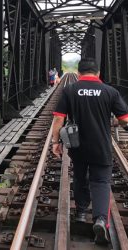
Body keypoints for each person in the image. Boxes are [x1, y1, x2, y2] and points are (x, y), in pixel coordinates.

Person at [51, 58, 128, 245]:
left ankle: (81, 212)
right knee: (101, 182)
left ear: (78, 73)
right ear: (98, 73)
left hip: (77, 146)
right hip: (101, 147)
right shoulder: (110, 92)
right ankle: (101, 219)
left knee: (79, 177)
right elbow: (125, 119)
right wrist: (120, 123)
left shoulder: (70, 90)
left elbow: (59, 120)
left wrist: (56, 142)